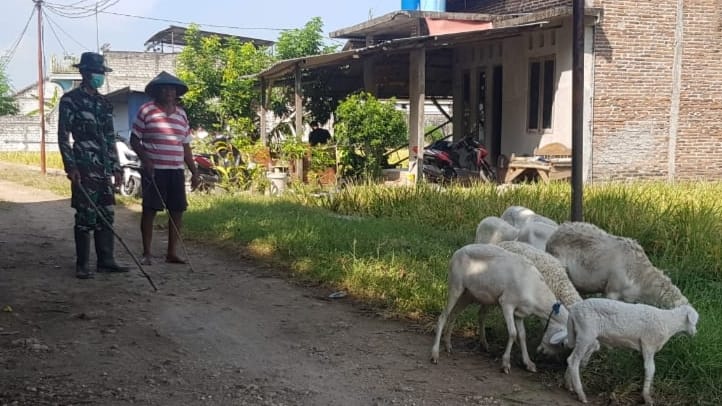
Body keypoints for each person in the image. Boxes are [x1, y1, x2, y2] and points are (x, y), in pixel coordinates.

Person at [58, 52, 129, 279]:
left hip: (104, 169)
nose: (98, 76)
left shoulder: (104, 103)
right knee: (85, 215)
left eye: (101, 73)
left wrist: (117, 167)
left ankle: (106, 260)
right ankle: (82, 264)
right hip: (84, 165)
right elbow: (63, 136)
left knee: (106, 214)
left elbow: (110, 137)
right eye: (95, 72)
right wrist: (71, 167)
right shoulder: (70, 101)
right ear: (84, 73)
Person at [130, 71, 200, 265]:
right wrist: (146, 160)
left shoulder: (181, 114)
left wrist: (194, 172)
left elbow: (185, 146)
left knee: (177, 210)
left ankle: (172, 253)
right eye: (164, 88)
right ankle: (147, 253)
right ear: (156, 91)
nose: (169, 92)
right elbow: (134, 140)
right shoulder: (146, 110)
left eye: (172, 89)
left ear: (176, 92)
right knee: (150, 210)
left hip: (176, 170)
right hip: (154, 170)